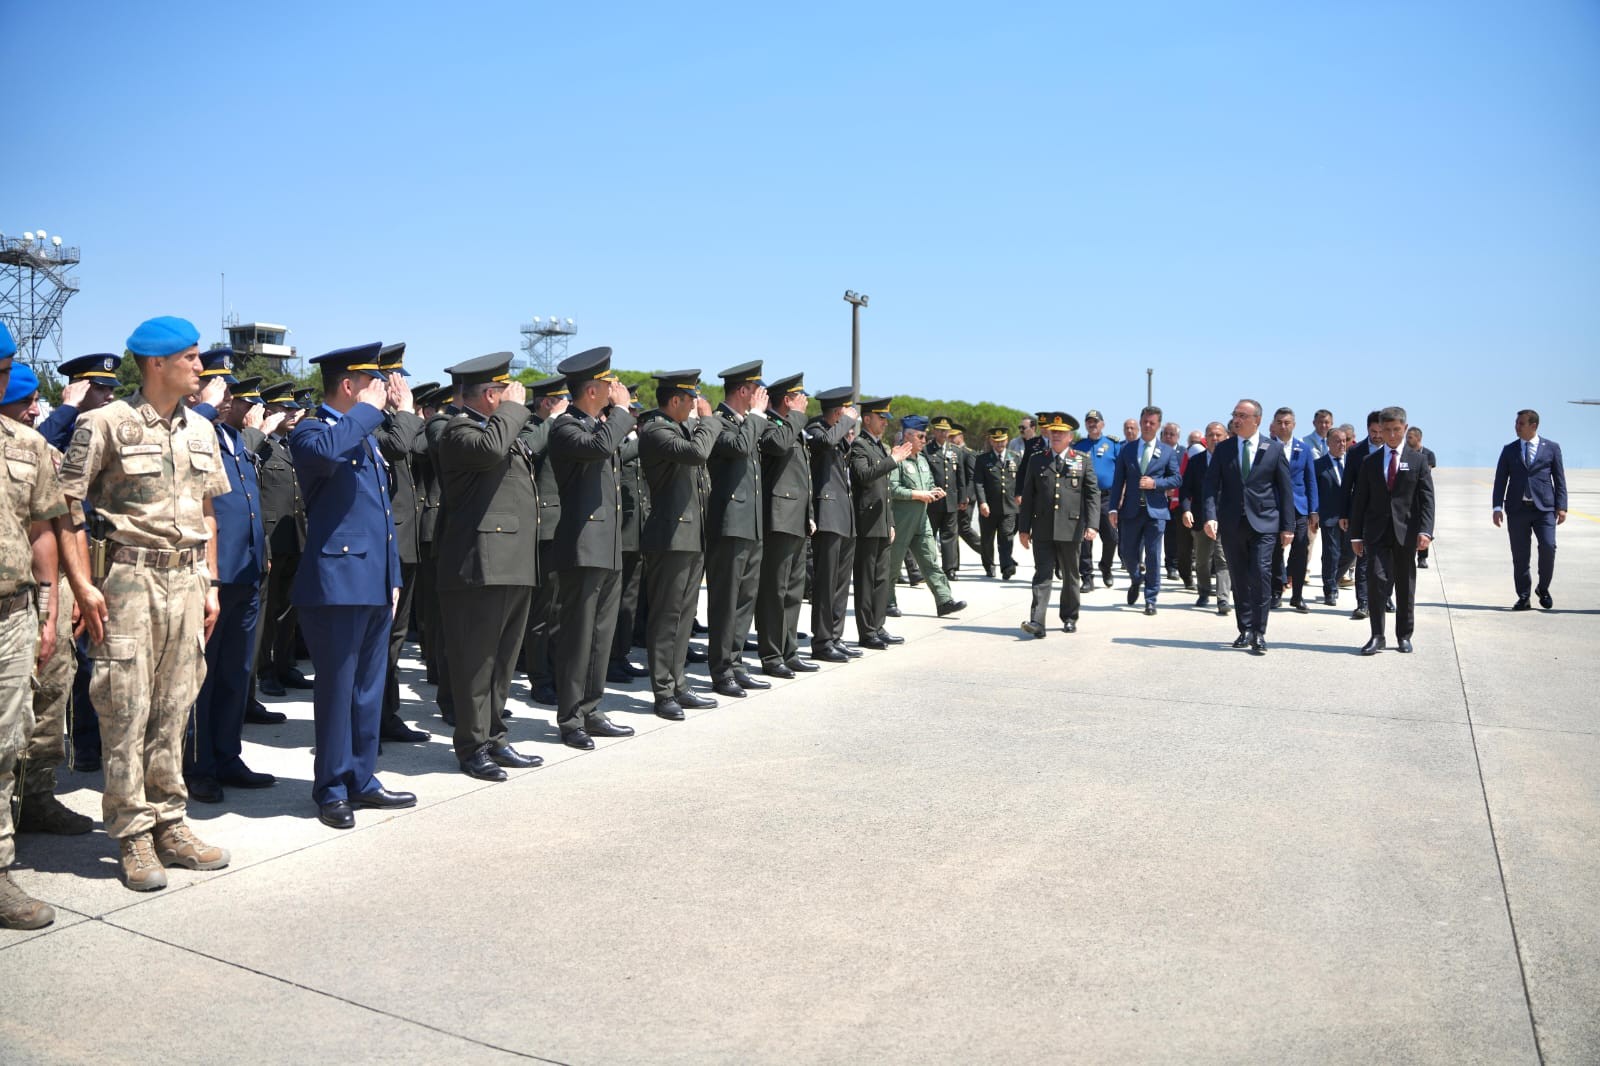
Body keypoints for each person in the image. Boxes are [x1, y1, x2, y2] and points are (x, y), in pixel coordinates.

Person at [57, 315, 233, 889]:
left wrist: (210, 582)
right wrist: (83, 586)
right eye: (191, 357)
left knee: (176, 705)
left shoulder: (202, 431)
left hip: (186, 582)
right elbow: (67, 509)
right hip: (129, 580)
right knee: (124, 706)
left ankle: (171, 823)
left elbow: (209, 511)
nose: (200, 368)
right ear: (157, 363)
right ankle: (132, 834)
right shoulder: (104, 423)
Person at [290, 343, 415, 830]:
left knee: (368, 689)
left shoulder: (362, 435)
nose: (382, 392)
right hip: (336, 584)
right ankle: (331, 787)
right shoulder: (312, 431)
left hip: (374, 582)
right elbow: (326, 453)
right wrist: (368, 411)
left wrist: (394, 577)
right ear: (349, 386)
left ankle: (362, 778)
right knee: (338, 690)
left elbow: (382, 518)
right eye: (372, 383)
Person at [433, 352, 544, 779]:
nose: (513, 400)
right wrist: (514, 409)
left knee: (501, 663)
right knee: (475, 663)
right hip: (479, 566)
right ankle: (472, 746)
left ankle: (495, 737)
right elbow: (490, 448)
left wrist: (513, 414)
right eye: (504, 392)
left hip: (511, 562)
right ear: (490, 395)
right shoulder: (457, 429)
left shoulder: (501, 428)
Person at [1, 365, 95, 848]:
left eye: (38, 400)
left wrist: (71, 593)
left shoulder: (46, 454)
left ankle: (37, 797)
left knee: (51, 700)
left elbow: (66, 527)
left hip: (44, 597)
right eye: (24, 402)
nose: (34, 410)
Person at [0, 337, 71, 927]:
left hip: (10, 615)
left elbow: (44, 528)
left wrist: (48, 608)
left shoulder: (28, 447)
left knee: (4, 744)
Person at [184, 354, 274, 803]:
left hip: (247, 571)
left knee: (237, 672)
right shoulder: (190, 427)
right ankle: (198, 765)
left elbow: (250, 503)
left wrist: (265, 552)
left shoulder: (232, 438)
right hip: (214, 575)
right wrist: (204, 406)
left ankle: (227, 754)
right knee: (205, 674)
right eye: (216, 387)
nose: (226, 397)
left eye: (228, 390)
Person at [548, 347, 639, 747]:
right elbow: (600, 447)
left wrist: (615, 415)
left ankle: (591, 708)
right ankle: (570, 719)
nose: (615, 389)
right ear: (591, 390)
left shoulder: (598, 424)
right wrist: (620, 412)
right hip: (583, 545)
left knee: (601, 633)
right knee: (578, 635)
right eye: (607, 384)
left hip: (607, 543)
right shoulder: (567, 427)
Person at [637, 371, 721, 719]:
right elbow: (699, 453)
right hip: (670, 537)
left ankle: (678, 683)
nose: (694, 406)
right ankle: (663, 691)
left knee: (684, 617)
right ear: (675, 400)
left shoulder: (680, 429)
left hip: (690, 535)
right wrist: (710, 420)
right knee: (667, 616)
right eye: (690, 400)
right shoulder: (656, 430)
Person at [1202, 398, 1294, 655]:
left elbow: (1286, 490)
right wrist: (1210, 516)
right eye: (1235, 415)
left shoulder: (1273, 449)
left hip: (1264, 524)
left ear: (1257, 420)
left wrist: (1288, 526)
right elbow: (1210, 486)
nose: (1236, 419)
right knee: (1240, 578)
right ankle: (1245, 629)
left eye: (1242, 415)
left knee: (1261, 573)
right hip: (1232, 524)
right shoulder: (1224, 449)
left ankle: (1260, 632)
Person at [372, 343, 431, 744]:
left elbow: (424, 447)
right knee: (380, 637)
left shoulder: (402, 420)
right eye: (394, 378)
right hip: (383, 545)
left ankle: (387, 715)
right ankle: (373, 717)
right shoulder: (370, 421)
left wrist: (409, 415)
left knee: (395, 636)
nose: (401, 386)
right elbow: (395, 448)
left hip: (407, 544)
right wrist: (405, 413)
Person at [704, 361, 772, 698]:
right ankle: (720, 669)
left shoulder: (747, 424)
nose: (762, 396)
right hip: (729, 524)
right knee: (726, 600)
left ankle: (736, 661)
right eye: (757, 390)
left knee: (745, 600)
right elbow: (739, 448)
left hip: (750, 524)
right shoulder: (719, 422)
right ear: (743, 391)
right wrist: (758, 417)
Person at [1350, 406, 1435, 654]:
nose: (1391, 435)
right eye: (1386, 430)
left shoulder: (1418, 460)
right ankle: (1377, 635)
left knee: (1405, 585)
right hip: (1376, 533)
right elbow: (1360, 501)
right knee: (1376, 581)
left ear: (1405, 429)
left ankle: (1404, 635)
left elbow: (1427, 499)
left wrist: (1426, 531)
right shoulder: (1370, 461)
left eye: (1396, 430)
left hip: (1406, 533)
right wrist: (1356, 535)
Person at [1017, 413, 1100, 637]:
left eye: (1060, 433)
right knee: (1042, 575)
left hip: (1071, 528)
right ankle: (1037, 622)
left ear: (1070, 436)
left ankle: (1070, 617)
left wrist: (1092, 524)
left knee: (1071, 576)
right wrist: (1023, 528)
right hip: (1042, 527)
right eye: (1053, 432)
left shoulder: (1082, 460)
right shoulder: (1037, 459)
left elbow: (1092, 495)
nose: (1055, 436)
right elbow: (1029, 496)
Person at [250, 382, 304, 718]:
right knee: (267, 613)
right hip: (272, 538)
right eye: (285, 410)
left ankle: (285, 665)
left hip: (296, 536)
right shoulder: (262, 446)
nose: (294, 414)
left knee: (289, 608)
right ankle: (266, 671)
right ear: (269, 413)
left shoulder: (294, 445)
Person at [756, 375, 816, 674]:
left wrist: (810, 513)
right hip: (778, 517)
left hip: (797, 518)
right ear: (786, 400)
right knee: (774, 591)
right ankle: (771, 654)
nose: (805, 400)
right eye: (799, 396)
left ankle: (789, 650)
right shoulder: (771, 425)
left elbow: (804, 477)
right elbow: (777, 447)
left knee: (793, 591)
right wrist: (796, 418)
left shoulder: (794, 427)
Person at [519, 375, 569, 706]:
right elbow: (528, 450)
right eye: (559, 400)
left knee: (560, 609)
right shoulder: (528, 426)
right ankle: (539, 677)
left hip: (566, 526)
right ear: (546, 403)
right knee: (543, 610)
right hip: (544, 527)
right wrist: (552, 420)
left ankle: (555, 670)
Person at [803, 385, 863, 660]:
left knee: (840, 583)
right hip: (827, 516)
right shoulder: (815, 430)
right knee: (826, 584)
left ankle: (835, 636)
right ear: (838, 411)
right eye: (847, 412)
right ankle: (823, 640)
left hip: (843, 516)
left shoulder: (837, 436)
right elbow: (824, 443)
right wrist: (847, 422)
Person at [849, 398, 913, 651]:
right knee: (866, 580)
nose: (885, 423)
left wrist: (891, 522)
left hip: (882, 522)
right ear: (867, 419)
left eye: (887, 419)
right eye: (881, 418)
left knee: (881, 579)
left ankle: (878, 625)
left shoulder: (878, 447)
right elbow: (864, 476)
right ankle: (867, 631)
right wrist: (893, 460)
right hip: (866, 522)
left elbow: (884, 491)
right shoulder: (859, 446)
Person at [888, 417, 966, 618]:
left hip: (921, 520)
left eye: (925, 436)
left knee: (931, 560)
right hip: (901, 520)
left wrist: (933, 490)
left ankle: (944, 600)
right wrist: (917, 494)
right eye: (921, 436)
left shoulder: (922, 460)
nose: (925, 440)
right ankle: (887, 602)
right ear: (908, 436)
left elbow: (929, 481)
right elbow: (892, 488)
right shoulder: (897, 459)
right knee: (893, 563)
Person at [1107, 406, 1180, 615]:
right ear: (1140, 422)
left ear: (1158, 426)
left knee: (1154, 556)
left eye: (1152, 423)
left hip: (1156, 512)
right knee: (1127, 553)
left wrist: (1155, 483)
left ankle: (1150, 598)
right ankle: (1136, 578)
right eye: (1145, 422)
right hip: (1130, 511)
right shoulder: (1127, 449)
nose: (1148, 426)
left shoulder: (1167, 451)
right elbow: (1118, 479)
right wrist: (1113, 508)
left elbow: (1176, 478)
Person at [1492, 409, 1566, 611]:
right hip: (1517, 510)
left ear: (1533, 426)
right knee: (1520, 555)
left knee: (1548, 547)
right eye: (1516, 423)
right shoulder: (1509, 450)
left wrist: (1562, 507)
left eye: (1520, 423)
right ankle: (1524, 596)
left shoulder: (1551, 448)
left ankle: (1543, 588)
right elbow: (1500, 480)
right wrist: (1497, 506)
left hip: (1544, 509)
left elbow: (1559, 480)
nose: (1516, 427)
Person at [1268, 407, 1319, 612]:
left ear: (1294, 425)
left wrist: (1314, 509)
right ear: (1273, 424)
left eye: (1287, 422)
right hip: (1273, 506)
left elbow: (1310, 480)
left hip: (1299, 507)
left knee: (1300, 549)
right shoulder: (1267, 447)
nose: (1283, 426)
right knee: (1273, 551)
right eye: (1279, 422)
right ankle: (1276, 591)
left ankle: (1297, 595)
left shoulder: (1303, 449)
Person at [1179, 421, 1231, 615]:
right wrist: (1186, 510)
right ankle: (1203, 591)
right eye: (1211, 435)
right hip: (1201, 518)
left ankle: (1223, 598)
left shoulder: (1232, 460)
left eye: (1218, 435)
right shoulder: (1196, 462)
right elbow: (1185, 490)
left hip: (1225, 519)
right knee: (1201, 560)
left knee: (1223, 559)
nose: (1215, 439)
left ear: (1226, 437)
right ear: (1205, 439)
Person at [1341, 411, 1384, 620]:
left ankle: (1385, 597)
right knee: (1364, 559)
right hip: (1363, 514)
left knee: (1388, 560)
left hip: (1389, 516)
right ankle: (1363, 603)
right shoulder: (1356, 452)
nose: (1377, 436)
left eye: (1380, 431)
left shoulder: (1394, 451)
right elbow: (1347, 484)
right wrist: (1344, 513)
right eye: (1373, 432)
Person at [1072, 410, 1120, 590]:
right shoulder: (1079, 446)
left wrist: (1121, 494)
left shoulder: (1113, 444)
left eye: (1095, 421)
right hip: (1083, 498)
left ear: (1103, 424)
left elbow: (1121, 471)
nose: (1092, 424)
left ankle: (1105, 567)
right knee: (1084, 540)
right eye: (1089, 422)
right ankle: (1087, 577)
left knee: (1112, 538)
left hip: (1107, 498)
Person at [1313, 428, 1351, 606]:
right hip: (1329, 516)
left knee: (1351, 553)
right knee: (1331, 553)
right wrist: (1314, 513)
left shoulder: (1353, 462)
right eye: (1337, 441)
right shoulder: (1318, 465)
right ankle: (1330, 590)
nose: (1342, 444)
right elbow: (1313, 491)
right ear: (1328, 443)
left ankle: (1333, 579)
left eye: (1344, 441)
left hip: (1350, 516)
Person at [974, 428, 1018, 579]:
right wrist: (982, 502)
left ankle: (1006, 566)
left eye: (1002, 440)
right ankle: (989, 565)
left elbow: (1021, 481)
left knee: (1007, 537)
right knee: (987, 539)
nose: (999, 443)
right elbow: (978, 483)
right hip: (989, 507)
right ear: (991, 441)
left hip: (1009, 506)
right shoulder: (983, 459)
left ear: (1007, 440)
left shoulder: (1015, 457)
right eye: (996, 440)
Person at [922, 417, 963, 580]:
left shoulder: (955, 450)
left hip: (951, 499)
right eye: (940, 430)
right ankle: (929, 567)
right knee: (930, 535)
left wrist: (963, 496)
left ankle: (950, 568)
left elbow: (961, 476)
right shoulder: (927, 450)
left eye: (946, 431)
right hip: (933, 500)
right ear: (934, 431)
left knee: (950, 535)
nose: (943, 433)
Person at [1159, 421, 1194, 589]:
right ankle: (1170, 566)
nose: (1168, 437)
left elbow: (1186, 476)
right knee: (1168, 534)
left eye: (1171, 434)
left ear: (1178, 437)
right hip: (1161, 498)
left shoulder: (1184, 453)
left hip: (1179, 500)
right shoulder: (1157, 451)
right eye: (1165, 433)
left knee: (1180, 535)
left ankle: (1181, 565)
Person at [1406, 427, 1438, 568]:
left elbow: (1424, 471)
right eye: (1407, 437)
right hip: (1408, 495)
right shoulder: (1405, 453)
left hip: (1422, 494)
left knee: (1424, 526)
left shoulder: (1428, 454)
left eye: (1411, 437)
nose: (1407, 439)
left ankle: (1422, 557)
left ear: (1419, 438)